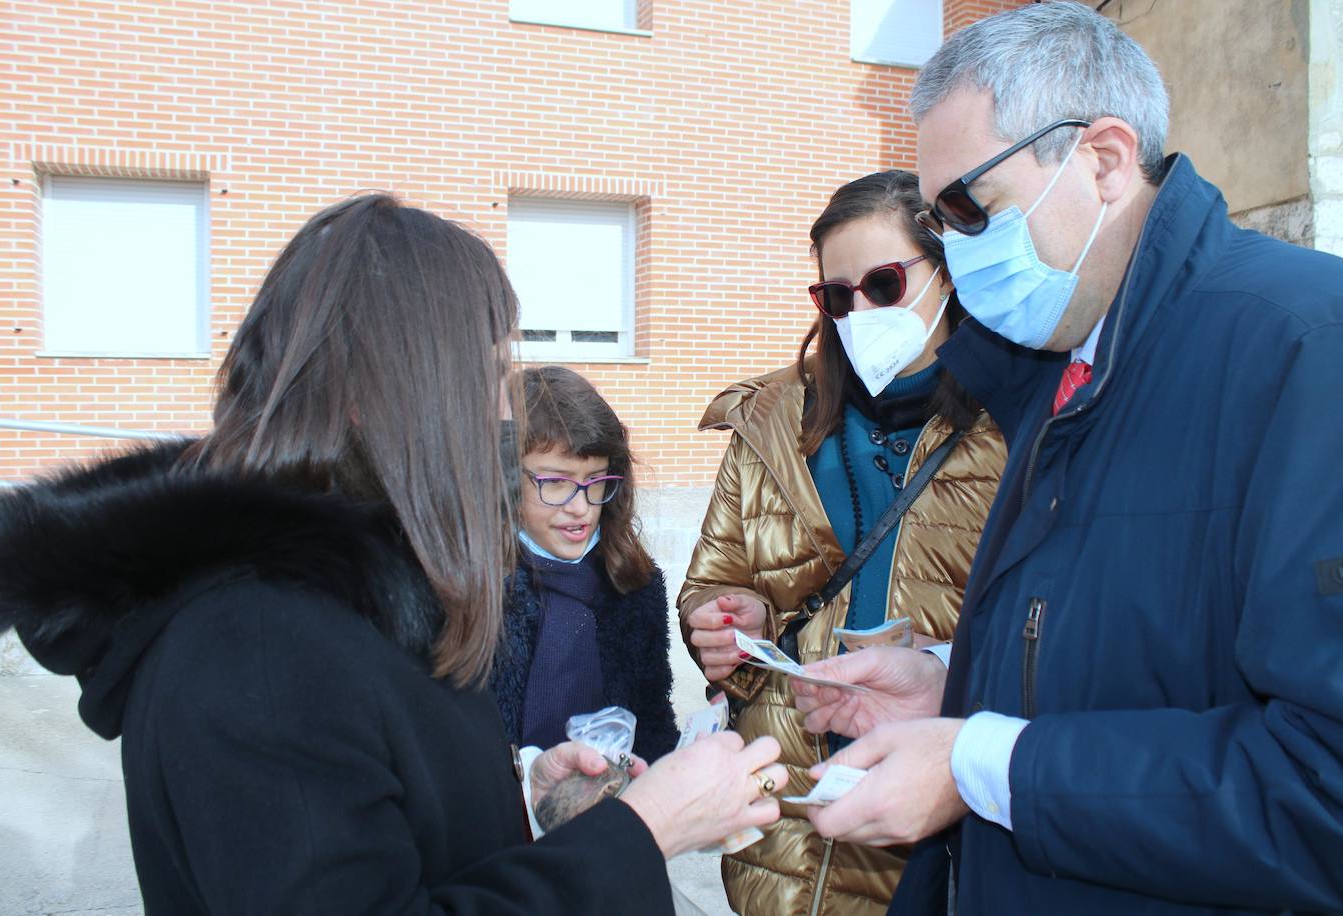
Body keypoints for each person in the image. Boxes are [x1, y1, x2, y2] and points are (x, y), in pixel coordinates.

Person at [0, 194, 788, 915]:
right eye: (490, 372)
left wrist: (530, 807)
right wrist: (646, 832)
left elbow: (395, 814)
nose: (506, 410)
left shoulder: (355, 593)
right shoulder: (256, 648)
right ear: (393, 398)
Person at [790, 4, 1343, 914]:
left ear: (1105, 160)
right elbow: (1131, 651)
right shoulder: (1063, 362)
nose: (956, 252)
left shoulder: (1306, 350)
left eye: (972, 208)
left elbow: (1321, 783)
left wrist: (982, 765)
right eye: (938, 224)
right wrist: (952, 690)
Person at [679, 170, 1006, 914]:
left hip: (930, 828)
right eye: (836, 296)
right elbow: (715, 580)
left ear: (948, 273)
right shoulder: (767, 420)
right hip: (783, 833)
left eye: (884, 284)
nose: (859, 311)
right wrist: (724, 619)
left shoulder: (1017, 426)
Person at [490, 365, 679, 762]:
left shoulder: (633, 585)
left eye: (596, 481)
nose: (580, 508)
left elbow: (652, 720)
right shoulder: (476, 592)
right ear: (504, 479)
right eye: (555, 482)